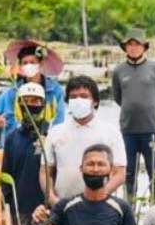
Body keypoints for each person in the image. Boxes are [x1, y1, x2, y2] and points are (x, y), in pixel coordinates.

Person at [44, 77, 126, 206]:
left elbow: (119, 174)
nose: (78, 100)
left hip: (100, 205)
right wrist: (53, 200)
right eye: (73, 97)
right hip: (63, 204)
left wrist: (97, 197)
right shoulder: (55, 132)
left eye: (84, 96)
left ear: (95, 101)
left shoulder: (111, 132)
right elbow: (45, 172)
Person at [111, 28, 155, 200]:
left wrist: (148, 106)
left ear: (144, 47)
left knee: (154, 170)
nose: (133, 48)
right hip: (128, 129)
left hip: (151, 129)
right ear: (125, 48)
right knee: (129, 171)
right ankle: (129, 206)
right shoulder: (118, 71)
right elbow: (118, 97)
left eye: (137, 44)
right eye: (130, 44)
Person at [2, 82, 48, 225]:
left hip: (47, 207)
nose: (31, 105)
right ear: (20, 105)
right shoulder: (12, 138)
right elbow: (6, 173)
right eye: (27, 101)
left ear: (43, 104)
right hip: (20, 207)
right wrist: (7, 205)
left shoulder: (52, 134)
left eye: (36, 101)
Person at [0, 40, 65, 136]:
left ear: (40, 63)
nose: (28, 65)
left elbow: (59, 119)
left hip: (48, 136)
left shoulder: (55, 90)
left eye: (32, 62)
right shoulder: (14, 90)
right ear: (20, 66)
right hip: (17, 137)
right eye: (25, 63)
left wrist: (52, 137)